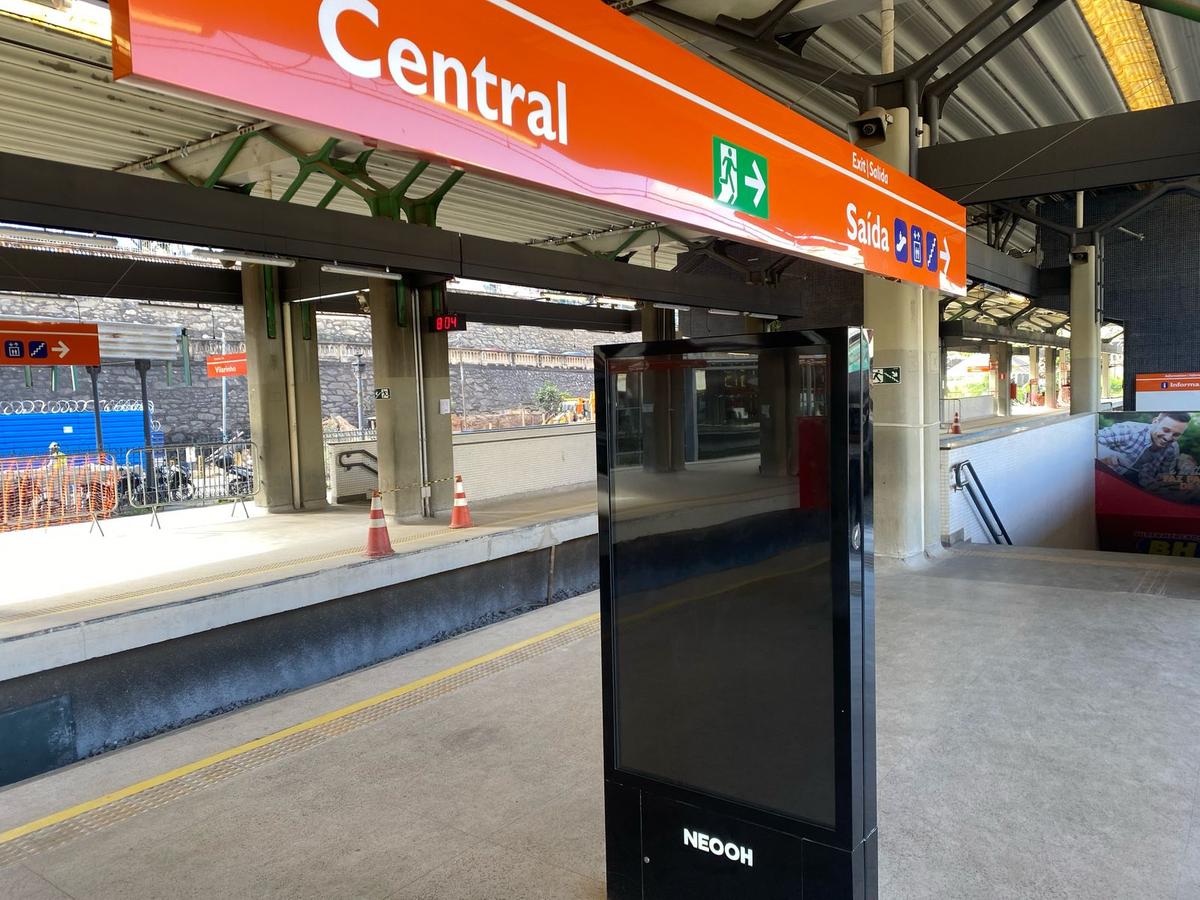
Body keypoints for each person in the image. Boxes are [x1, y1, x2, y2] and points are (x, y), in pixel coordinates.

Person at [1097, 412, 1191, 487]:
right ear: (1155, 422)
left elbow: (1164, 475)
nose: (1168, 438)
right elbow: (1090, 439)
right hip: (1106, 481)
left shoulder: (1172, 449)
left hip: (1141, 489)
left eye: (1176, 435)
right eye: (1165, 430)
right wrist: (1107, 453)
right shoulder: (1129, 429)